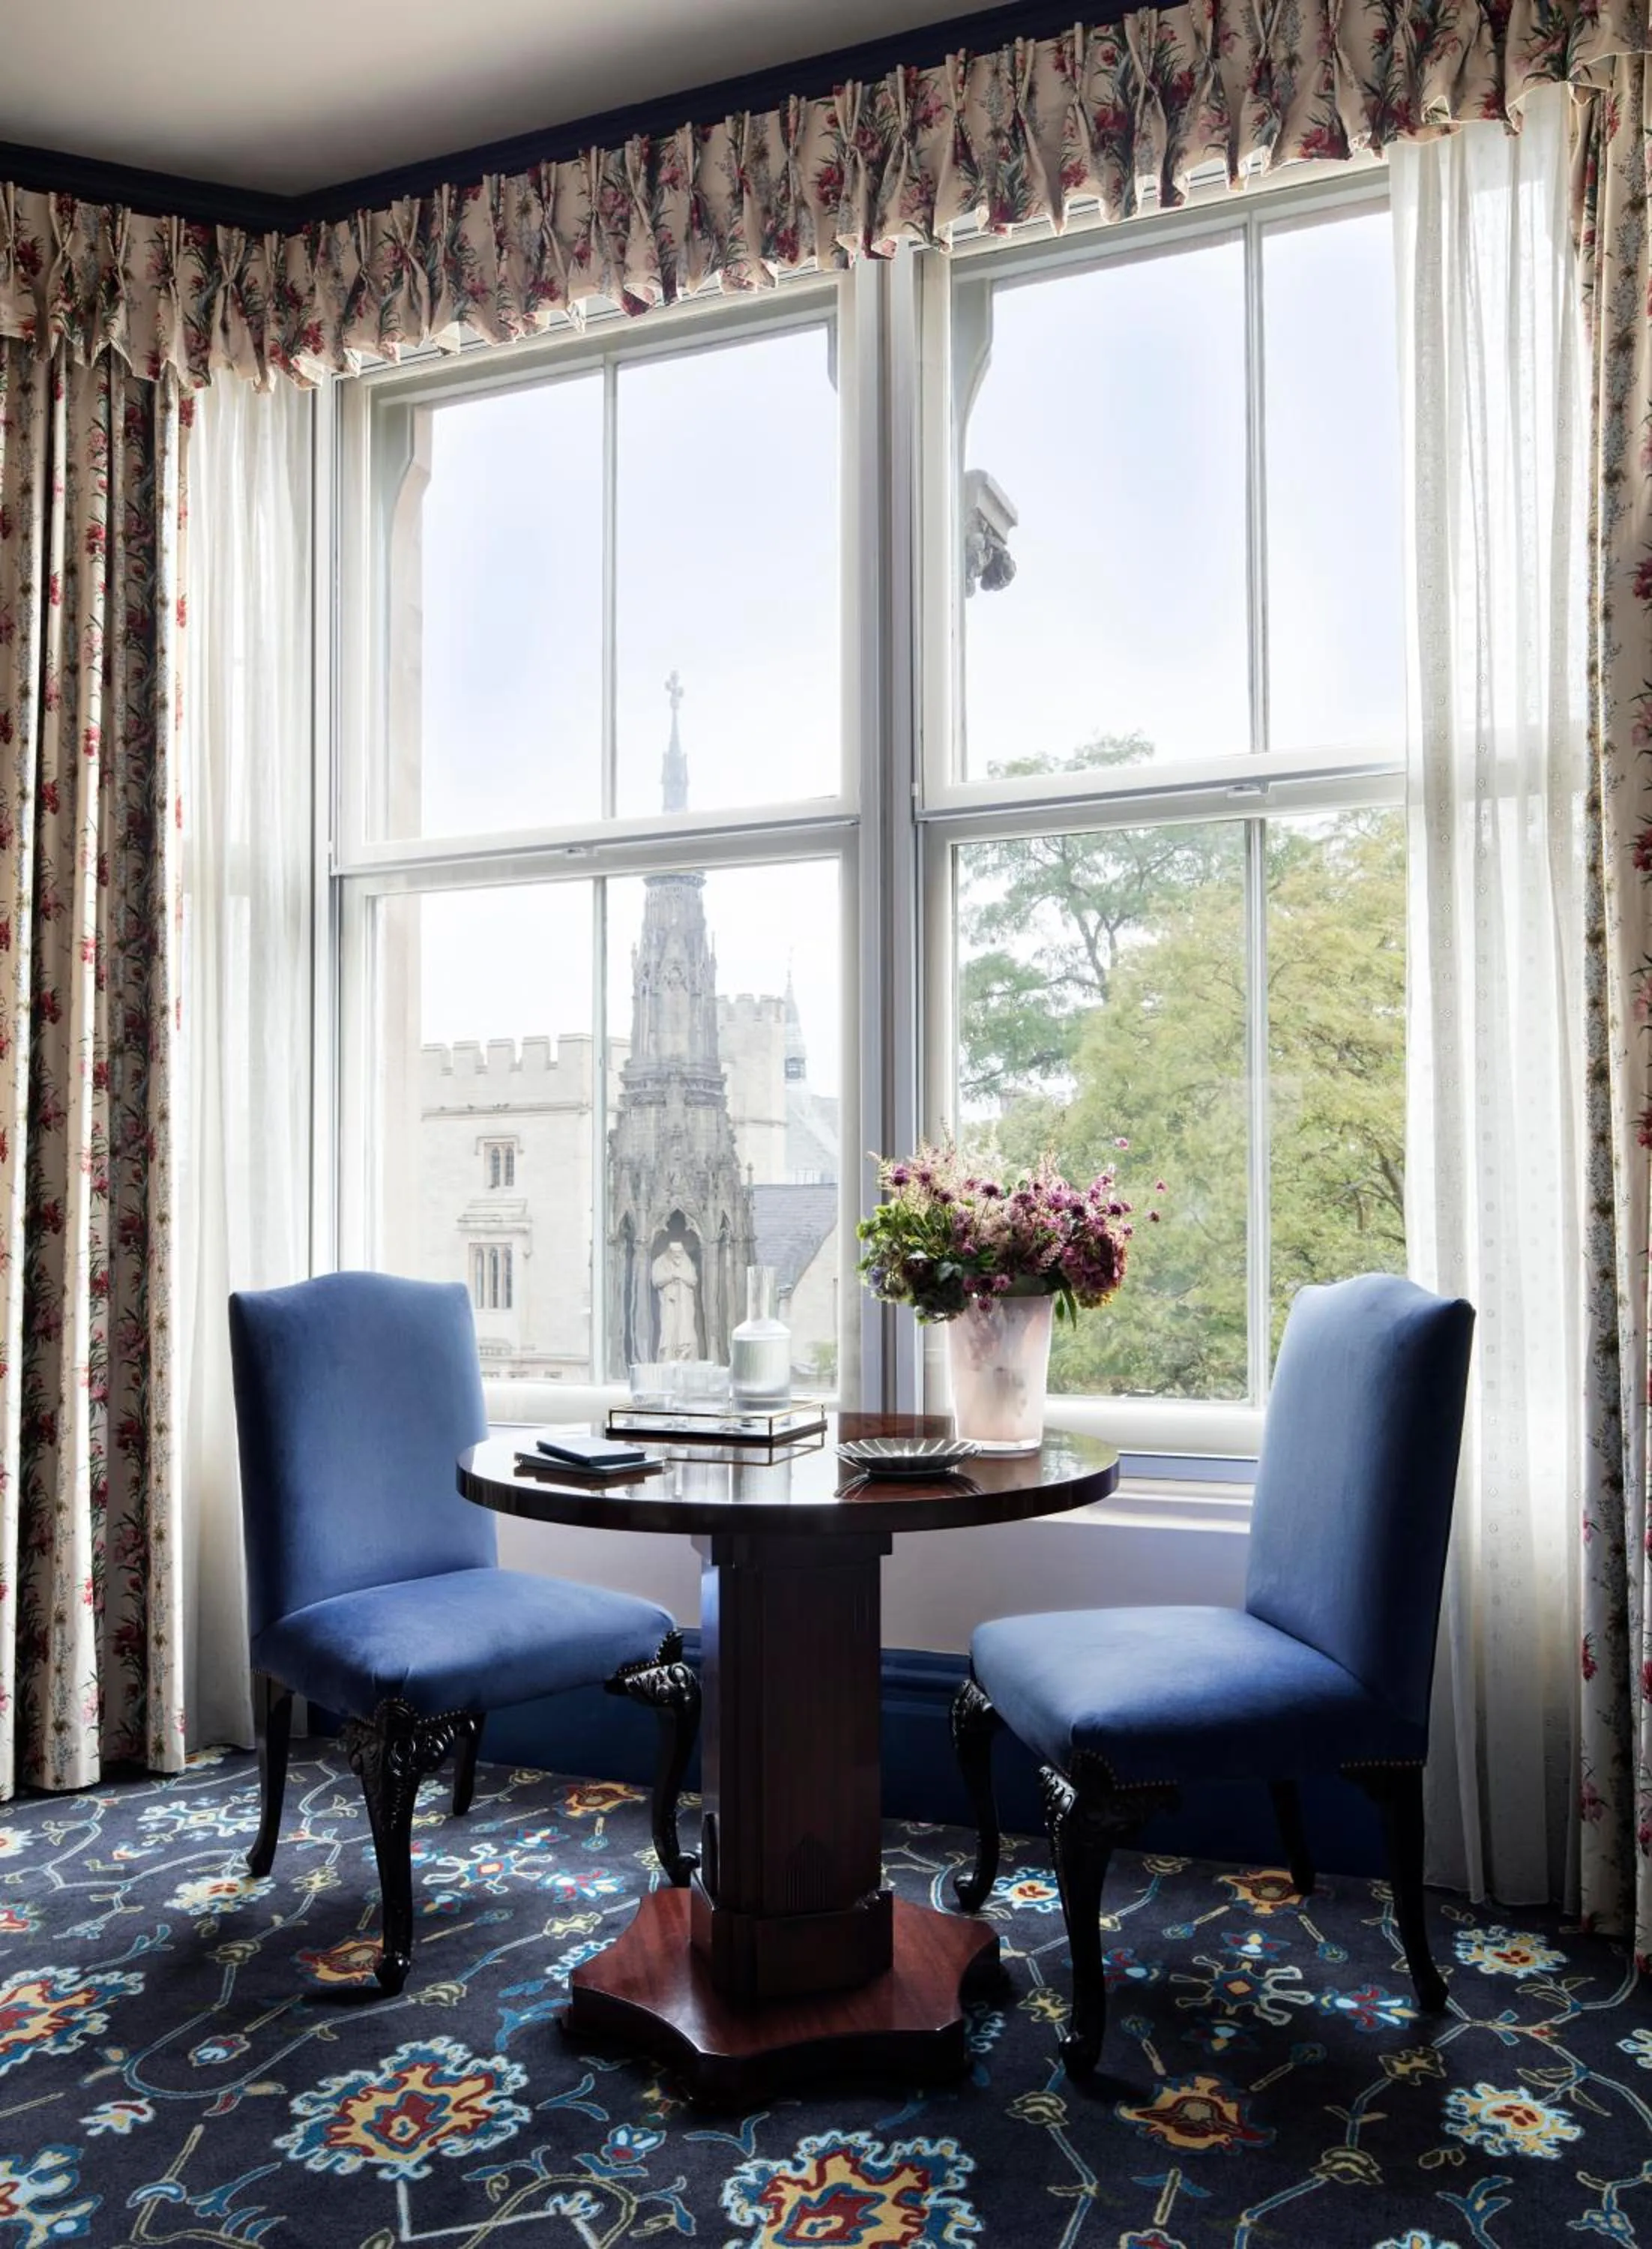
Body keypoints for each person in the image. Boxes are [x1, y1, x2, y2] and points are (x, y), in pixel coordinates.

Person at [652, 1238, 699, 1360]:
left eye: (680, 1253)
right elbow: (657, 1280)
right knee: (669, 1328)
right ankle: (668, 1355)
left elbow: (693, 1280)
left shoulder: (687, 1262)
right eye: (675, 1253)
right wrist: (672, 1276)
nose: (678, 1256)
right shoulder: (660, 1262)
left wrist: (681, 1276)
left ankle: (685, 1353)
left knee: (685, 1328)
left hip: (685, 1302)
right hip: (669, 1303)